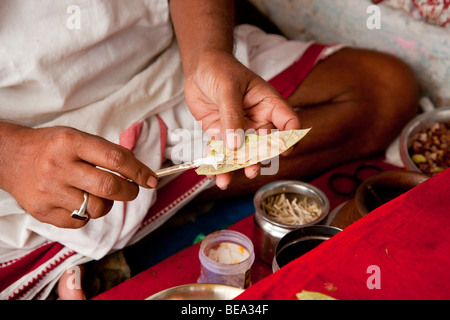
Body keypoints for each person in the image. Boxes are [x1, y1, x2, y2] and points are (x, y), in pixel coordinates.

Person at [0, 0, 418, 300]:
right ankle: (112, 225)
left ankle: (137, 214)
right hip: (24, 136)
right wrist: (13, 158)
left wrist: (208, 54)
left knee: (384, 90)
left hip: (171, 71)